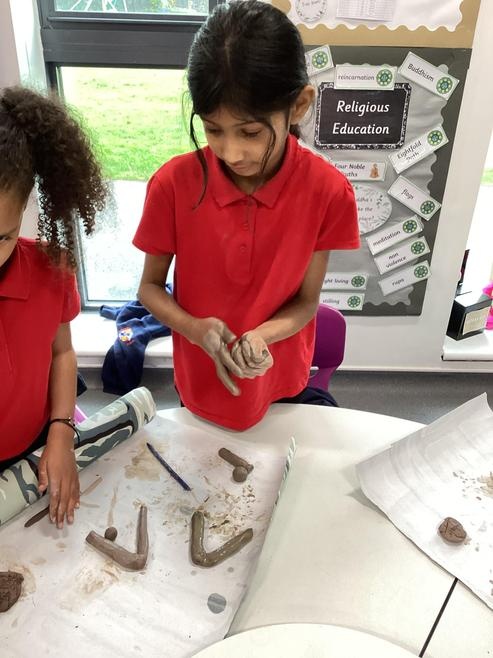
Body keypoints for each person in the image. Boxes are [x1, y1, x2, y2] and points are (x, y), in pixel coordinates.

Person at [133, 0, 359, 431]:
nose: (232, 153)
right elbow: (149, 287)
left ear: (299, 105)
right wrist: (194, 328)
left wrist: (262, 336)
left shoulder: (328, 192)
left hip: (279, 375)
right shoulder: (173, 185)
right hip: (199, 375)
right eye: (213, 130)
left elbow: (306, 301)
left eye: (251, 132)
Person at [0, 86, 106, 527]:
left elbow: (62, 353)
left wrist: (61, 430)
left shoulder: (51, 270)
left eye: (1, 238)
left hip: (35, 446)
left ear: (24, 205)